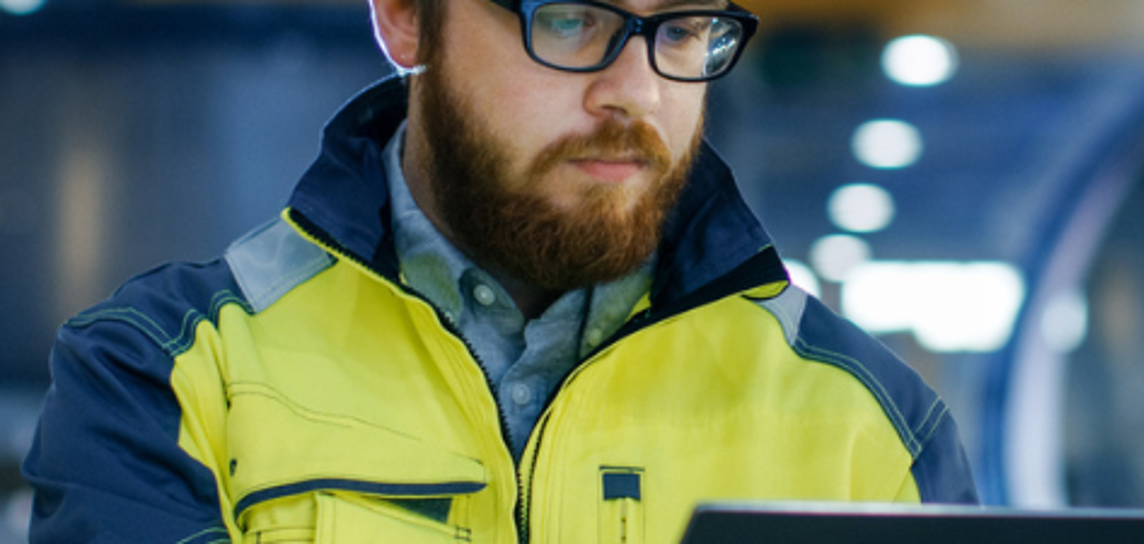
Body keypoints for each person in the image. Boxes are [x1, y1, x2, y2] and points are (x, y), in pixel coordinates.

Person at [23, 0, 977, 541]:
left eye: (681, 31)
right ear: (404, 18)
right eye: (568, 18)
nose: (636, 92)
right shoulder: (164, 376)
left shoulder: (874, 429)